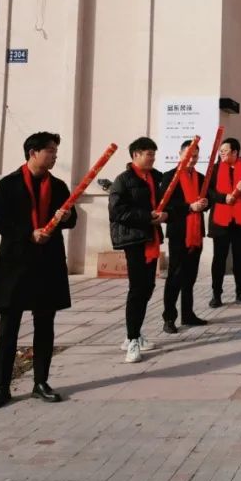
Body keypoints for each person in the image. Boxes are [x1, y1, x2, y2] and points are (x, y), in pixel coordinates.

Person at [0, 132, 77, 409]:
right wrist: (29, 233)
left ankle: (41, 382)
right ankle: (1, 386)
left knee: (45, 324)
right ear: (33, 152)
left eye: (55, 151)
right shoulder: (9, 184)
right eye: (50, 151)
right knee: (9, 326)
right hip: (15, 263)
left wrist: (67, 216)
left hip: (47, 263)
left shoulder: (58, 186)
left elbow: (71, 220)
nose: (54, 156)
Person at [109, 136, 167, 364]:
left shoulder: (156, 177)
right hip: (133, 239)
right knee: (137, 289)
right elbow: (117, 211)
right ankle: (132, 340)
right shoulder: (123, 180)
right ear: (136, 155)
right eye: (148, 154)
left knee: (147, 287)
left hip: (151, 237)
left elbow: (167, 202)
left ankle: (134, 332)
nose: (152, 158)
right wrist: (147, 217)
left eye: (153, 154)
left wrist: (165, 215)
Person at [158, 139, 210, 334]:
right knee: (175, 275)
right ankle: (169, 317)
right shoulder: (169, 177)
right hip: (179, 233)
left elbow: (207, 200)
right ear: (180, 155)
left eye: (195, 156)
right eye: (188, 155)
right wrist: (189, 207)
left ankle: (188, 314)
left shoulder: (200, 178)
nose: (192, 159)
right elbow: (166, 205)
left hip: (196, 233)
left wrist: (205, 203)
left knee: (190, 276)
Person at [207, 137, 241, 306]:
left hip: (240, 220)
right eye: (221, 151)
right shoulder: (215, 169)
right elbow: (209, 192)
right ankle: (216, 295)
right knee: (219, 259)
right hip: (221, 220)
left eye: (225, 151)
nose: (222, 153)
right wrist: (224, 198)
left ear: (235, 152)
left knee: (240, 258)